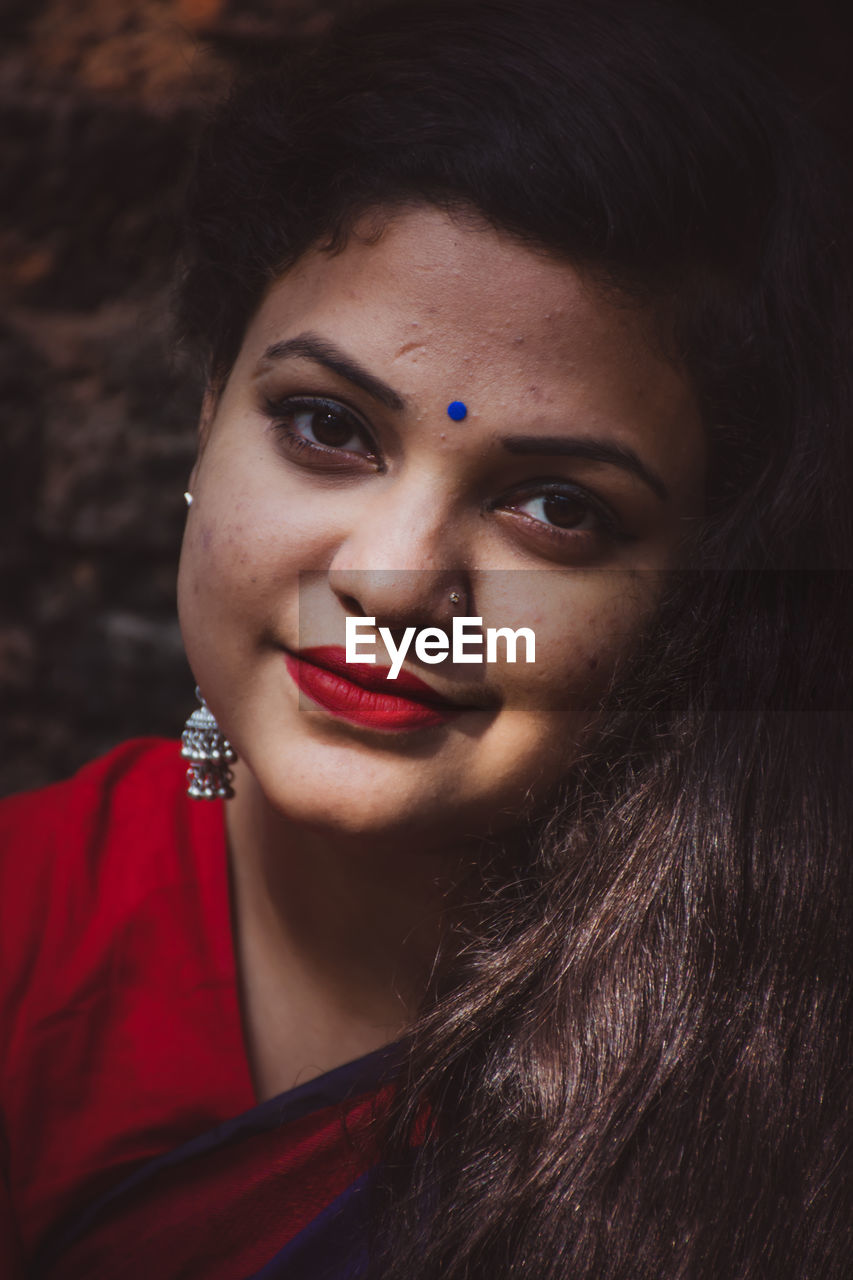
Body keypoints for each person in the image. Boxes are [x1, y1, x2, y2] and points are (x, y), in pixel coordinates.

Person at [1, 0, 850, 1275]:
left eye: (556, 507)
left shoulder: (784, 1062)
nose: (395, 586)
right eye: (328, 427)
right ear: (201, 421)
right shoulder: (26, 939)